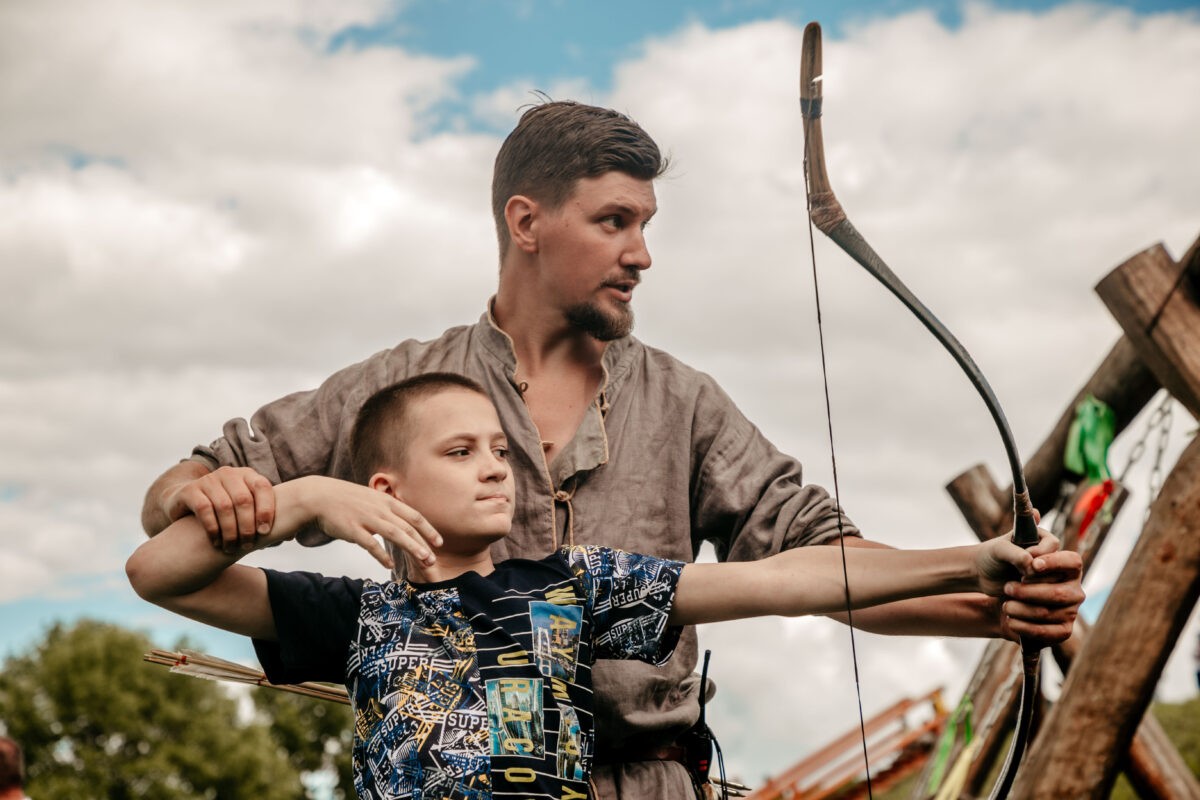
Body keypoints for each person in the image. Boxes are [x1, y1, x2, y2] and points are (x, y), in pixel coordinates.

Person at [139, 101, 1084, 798]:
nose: (641, 253)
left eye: (646, 225)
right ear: (526, 223)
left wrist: (993, 598)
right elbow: (173, 519)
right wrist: (251, 493)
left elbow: (810, 568)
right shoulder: (407, 391)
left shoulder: (682, 402)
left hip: (655, 780)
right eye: (613, 222)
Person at [128, 374, 1073, 800]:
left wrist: (969, 562)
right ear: (388, 490)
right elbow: (156, 575)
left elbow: (783, 581)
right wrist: (305, 496)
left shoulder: (569, 589)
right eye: (460, 452)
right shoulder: (356, 615)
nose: (497, 468)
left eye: (502, 450)